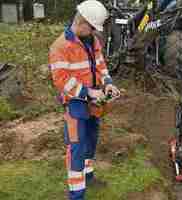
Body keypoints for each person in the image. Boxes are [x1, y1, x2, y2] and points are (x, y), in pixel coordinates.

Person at [48, 1, 120, 199]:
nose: (94, 32)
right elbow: (61, 81)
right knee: (77, 147)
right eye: (92, 28)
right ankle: (76, 194)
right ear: (82, 22)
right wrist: (87, 92)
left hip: (93, 102)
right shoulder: (60, 47)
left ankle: (89, 178)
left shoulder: (92, 41)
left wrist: (108, 83)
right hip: (76, 103)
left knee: (90, 141)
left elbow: (100, 65)